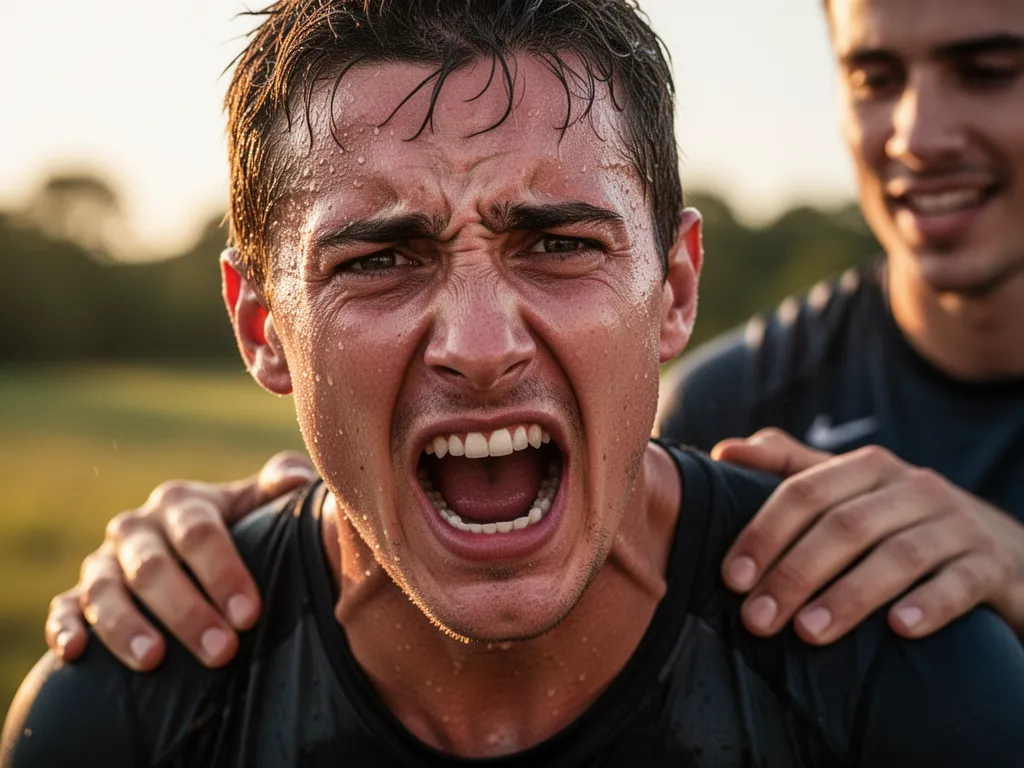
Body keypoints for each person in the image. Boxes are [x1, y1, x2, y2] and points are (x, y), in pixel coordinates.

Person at [6, 1, 1024, 764]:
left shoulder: (914, 682)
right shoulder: (125, 710)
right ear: (262, 326)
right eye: (378, 259)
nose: (481, 346)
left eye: (556, 242)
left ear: (673, 287)